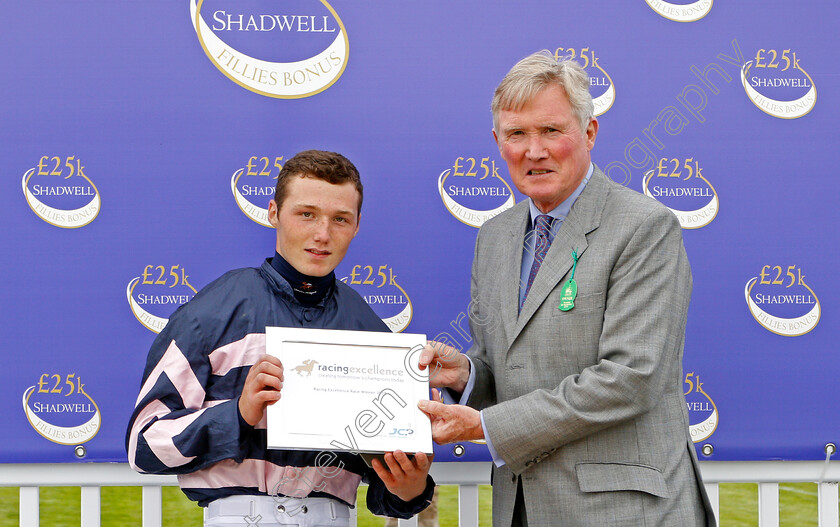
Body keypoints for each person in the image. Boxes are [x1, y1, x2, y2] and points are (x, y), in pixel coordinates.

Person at [417, 52, 716, 526]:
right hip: (520, 509)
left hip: (624, 513)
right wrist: (466, 376)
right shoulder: (494, 236)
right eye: (517, 134)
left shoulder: (645, 227)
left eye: (551, 130)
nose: (534, 150)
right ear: (498, 142)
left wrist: (485, 427)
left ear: (589, 133)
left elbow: (630, 379)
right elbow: (509, 367)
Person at [126, 150, 435, 527]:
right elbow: (144, 445)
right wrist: (237, 414)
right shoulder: (212, 312)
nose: (322, 235)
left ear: (356, 226)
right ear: (273, 212)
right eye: (306, 214)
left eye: (340, 219)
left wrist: (410, 486)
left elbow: (390, 484)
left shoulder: (369, 331)